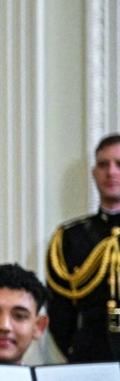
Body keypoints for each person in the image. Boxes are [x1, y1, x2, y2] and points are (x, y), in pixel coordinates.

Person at [47, 134, 120, 362]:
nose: (111, 172)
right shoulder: (70, 237)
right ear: (94, 173)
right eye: (103, 164)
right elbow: (60, 312)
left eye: (119, 164)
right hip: (90, 352)